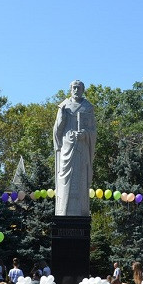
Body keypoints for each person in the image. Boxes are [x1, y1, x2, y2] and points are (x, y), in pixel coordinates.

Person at [53, 80, 97, 217]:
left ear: (83, 90)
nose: (76, 90)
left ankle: (80, 211)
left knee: (80, 179)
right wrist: (61, 117)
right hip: (67, 146)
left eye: (78, 88)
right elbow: (56, 131)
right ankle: (63, 211)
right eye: (74, 88)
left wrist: (85, 135)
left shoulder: (88, 107)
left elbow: (93, 131)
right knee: (64, 178)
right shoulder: (64, 106)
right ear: (70, 89)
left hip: (82, 149)